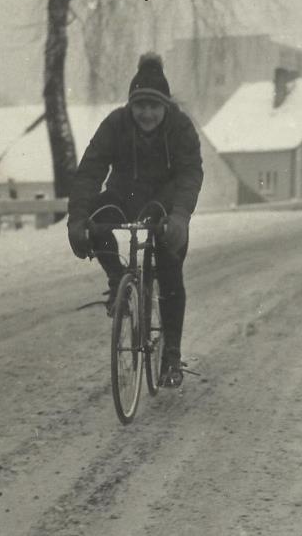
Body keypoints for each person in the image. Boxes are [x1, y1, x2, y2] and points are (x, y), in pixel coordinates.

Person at [66, 52, 204, 387]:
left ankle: (171, 354)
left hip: (164, 203)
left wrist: (181, 217)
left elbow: (189, 174)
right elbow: (90, 170)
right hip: (124, 195)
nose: (146, 113)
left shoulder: (181, 127)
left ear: (165, 107)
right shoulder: (115, 124)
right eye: (140, 105)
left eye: (154, 106)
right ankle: (118, 281)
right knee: (96, 220)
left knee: (170, 268)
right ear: (130, 106)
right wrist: (77, 218)